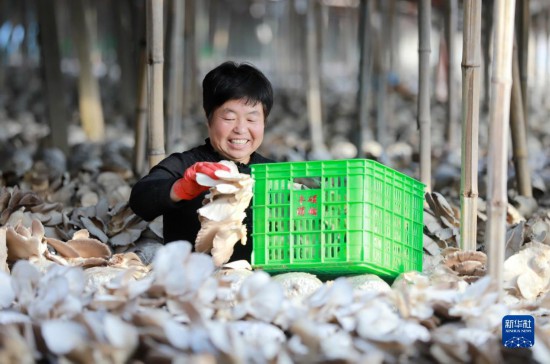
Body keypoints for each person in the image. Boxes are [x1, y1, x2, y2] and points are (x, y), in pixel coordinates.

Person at [129, 61, 275, 262]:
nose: (241, 129)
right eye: (229, 118)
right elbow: (140, 199)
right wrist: (181, 188)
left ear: (264, 123)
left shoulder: (275, 172)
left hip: (259, 283)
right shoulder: (185, 165)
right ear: (209, 120)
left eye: (251, 120)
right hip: (192, 282)